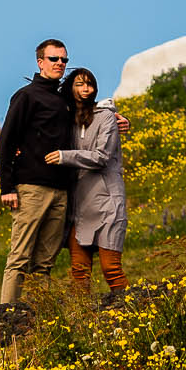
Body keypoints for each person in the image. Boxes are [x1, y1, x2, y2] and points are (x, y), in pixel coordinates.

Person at [0, 37, 77, 305]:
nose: (60, 64)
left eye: (64, 59)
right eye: (54, 59)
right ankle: (6, 316)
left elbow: (89, 108)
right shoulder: (26, 96)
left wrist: (115, 117)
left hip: (60, 190)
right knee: (19, 257)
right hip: (31, 187)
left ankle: (39, 317)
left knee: (45, 262)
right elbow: (6, 141)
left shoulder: (64, 98)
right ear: (40, 62)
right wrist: (7, 187)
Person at [44, 66, 128, 299]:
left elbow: (102, 157)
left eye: (89, 84)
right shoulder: (67, 119)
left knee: (111, 269)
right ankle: (83, 327)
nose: (86, 89)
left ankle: (131, 314)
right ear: (70, 89)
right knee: (79, 275)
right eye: (79, 84)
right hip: (79, 208)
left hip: (108, 204)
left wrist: (65, 156)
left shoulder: (106, 118)